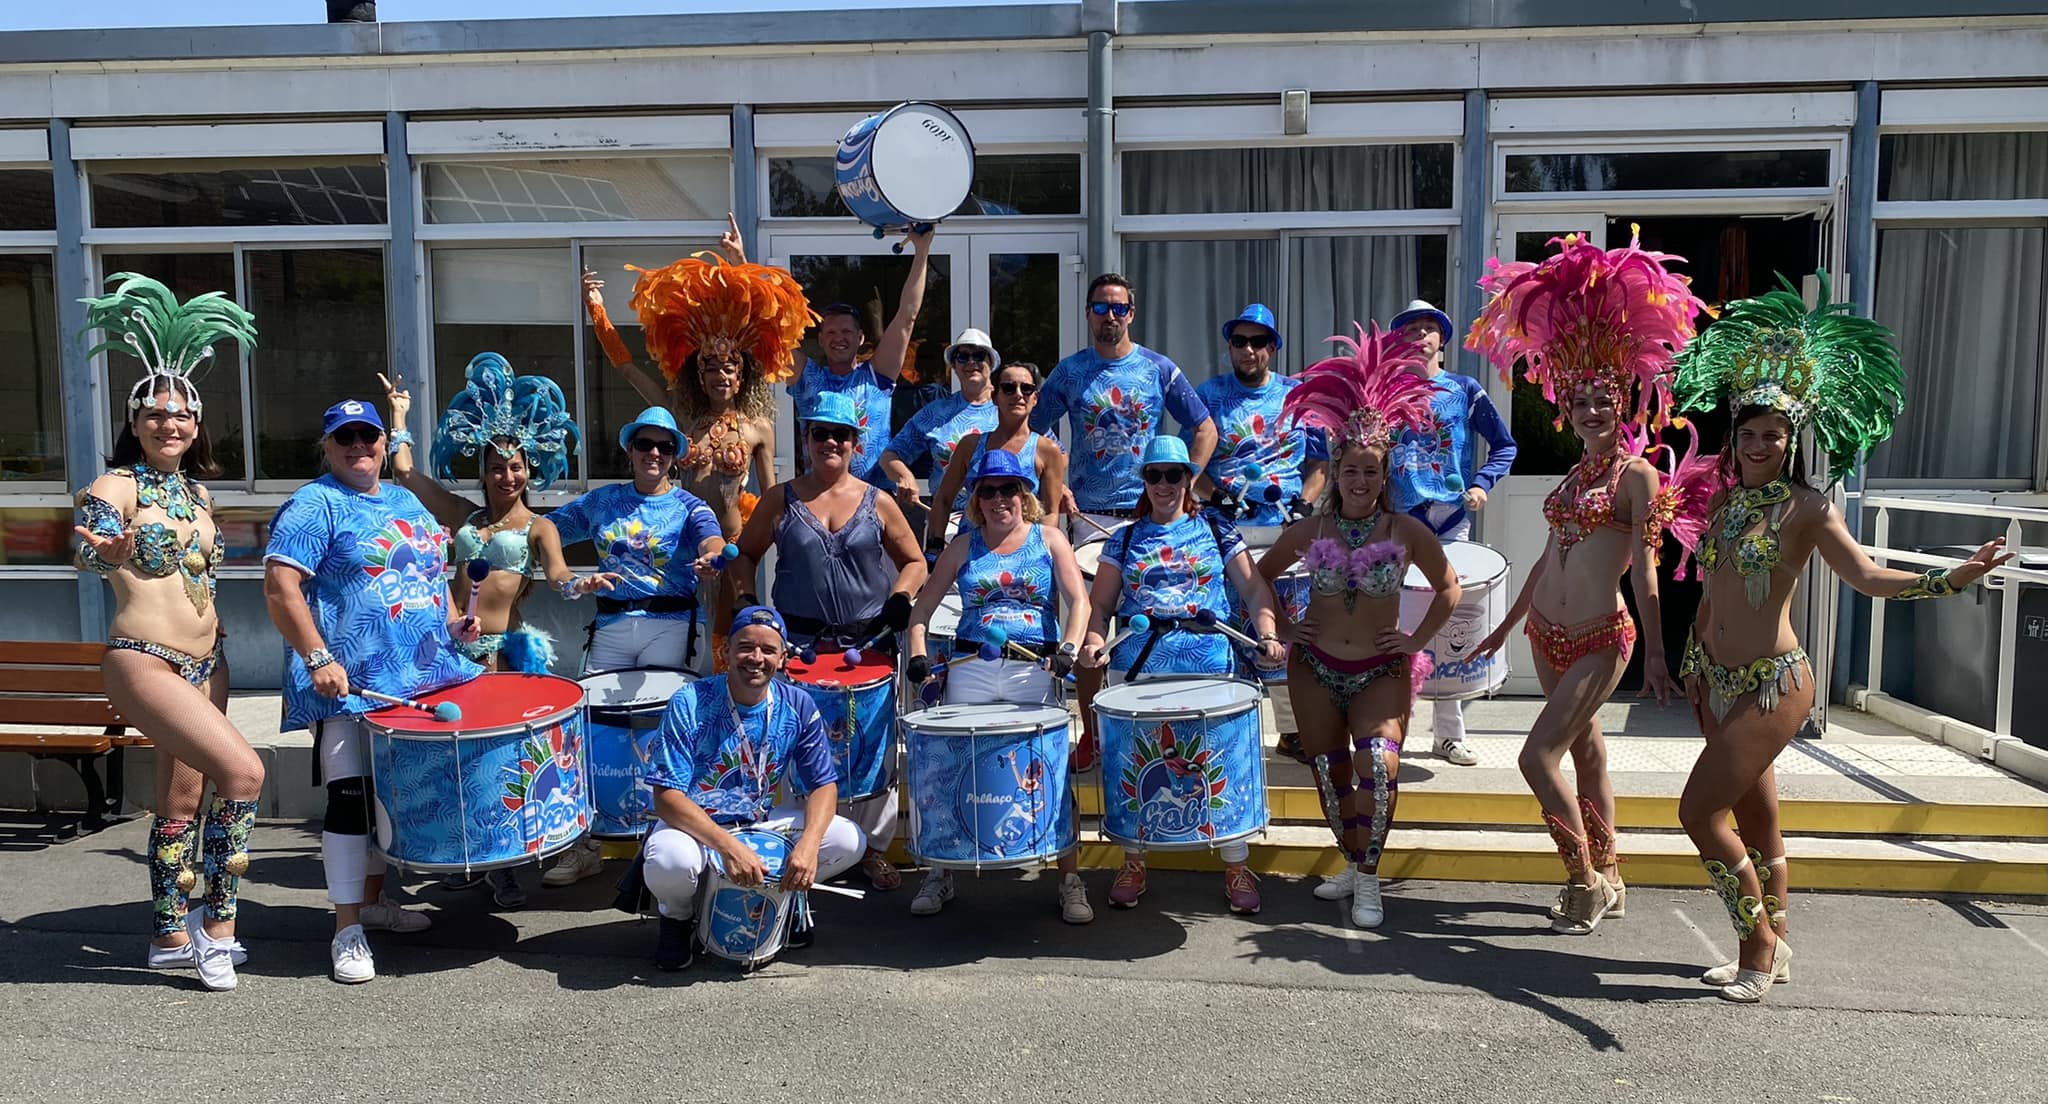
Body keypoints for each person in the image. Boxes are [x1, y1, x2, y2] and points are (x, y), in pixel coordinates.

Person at [1668, 273, 2012, 1002]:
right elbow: (1712, 592)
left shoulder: (1808, 509)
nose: (1760, 444)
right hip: (1716, 680)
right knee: (1757, 817)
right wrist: (1692, 661)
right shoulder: (1726, 501)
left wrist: (1949, 578)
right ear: (1736, 436)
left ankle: (1757, 947)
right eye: (1751, 432)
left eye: (1775, 435)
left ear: (1792, 443)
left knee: (1698, 812)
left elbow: (1864, 576)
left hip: (1773, 683)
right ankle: (1778, 942)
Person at [1467, 231, 1701, 936]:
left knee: (1536, 755)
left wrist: (1658, 655)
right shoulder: (1573, 477)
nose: (1592, 412)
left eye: (1604, 400)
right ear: (1564, 408)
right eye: (1580, 402)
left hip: (1604, 638)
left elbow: (1650, 572)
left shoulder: (1637, 477)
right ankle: (1614, 873)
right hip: (1546, 635)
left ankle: (1582, 878)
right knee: (1587, 752)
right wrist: (1502, 630)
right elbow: (1546, 561)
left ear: (1624, 402)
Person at [74, 274, 261, 990]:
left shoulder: (200, 493)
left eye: (181, 415)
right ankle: (217, 930)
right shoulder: (115, 484)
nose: (169, 424)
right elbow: (86, 544)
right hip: (143, 660)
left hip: (207, 663)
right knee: (244, 773)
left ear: (197, 423)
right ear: (135, 421)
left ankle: (163, 936)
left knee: (182, 801)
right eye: (154, 414)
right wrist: (106, 550)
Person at [264, 398, 484, 984]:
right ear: (327, 446)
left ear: (385, 442)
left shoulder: (404, 499)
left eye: (370, 436)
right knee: (350, 801)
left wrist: (454, 623)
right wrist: (317, 657)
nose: (359, 447)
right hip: (352, 685)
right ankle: (346, 928)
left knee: (396, 796)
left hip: (423, 677)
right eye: (346, 438)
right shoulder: (314, 504)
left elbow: (425, 579)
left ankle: (378, 902)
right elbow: (281, 587)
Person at [1256, 325, 1460, 928]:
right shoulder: (1310, 531)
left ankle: (1369, 879)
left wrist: (1416, 640)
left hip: (1380, 669)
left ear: (1385, 474)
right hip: (1314, 668)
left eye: (1372, 471)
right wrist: (1287, 628)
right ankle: (1350, 861)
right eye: (1351, 470)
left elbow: (1449, 587)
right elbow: (1258, 577)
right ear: (1336, 471)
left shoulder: (1406, 531)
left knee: (1379, 767)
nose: (1361, 481)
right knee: (1328, 769)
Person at [381, 353, 580, 909]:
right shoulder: (465, 518)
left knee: (506, 759)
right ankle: (466, 855)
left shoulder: (540, 527)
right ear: (484, 471)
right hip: (459, 653)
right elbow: (405, 474)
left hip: (509, 654)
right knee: (459, 755)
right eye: (497, 466)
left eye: (516, 467)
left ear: (529, 470)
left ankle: (510, 864)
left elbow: (560, 572)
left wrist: (579, 586)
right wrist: (399, 419)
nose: (507, 476)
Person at [727, 392, 929, 890]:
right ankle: (798, 847)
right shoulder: (781, 499)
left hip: (870, 645)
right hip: (797, 646)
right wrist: (750, 606)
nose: (831, 442)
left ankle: (871, 850)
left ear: (856, 444)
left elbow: (916, 561)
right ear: (806, 440)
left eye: (841, 435)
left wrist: (902, 597)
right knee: (794, 747)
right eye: (821, 433)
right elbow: (744, 554)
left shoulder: (877, 501)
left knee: (871, 747)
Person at [1077, 436, 1285, 915]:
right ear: (1144, 481)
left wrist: (1267, 630)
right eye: (1155, 475)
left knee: (1222, 763)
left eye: (1175, 475)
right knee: (1138, 764)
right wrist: (1092, 638)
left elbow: (1253, 589)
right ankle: (1134, 861)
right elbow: (1102, 604)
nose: (1165, 484)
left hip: (1211, 666)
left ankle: (1236, 863)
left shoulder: (1216, 529)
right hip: (1140, 669)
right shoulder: (1124, 538)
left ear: (1189, 479)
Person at [582, 232, 812, 661]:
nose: (721, 376)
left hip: (731, 543)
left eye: (730, 368)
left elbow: (772, 495)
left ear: (743, 377)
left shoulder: (758, 426)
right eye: (711, 368)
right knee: (680, 632)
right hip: (676, 539)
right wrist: (597, 310)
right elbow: (628, 368)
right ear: (697, 376)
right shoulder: (679, 417)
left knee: (727, 637)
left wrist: (787, 550)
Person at [531, 405, 727, 887]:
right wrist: (563, 576)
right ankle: (585, 845)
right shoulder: (603, 501)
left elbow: (714, 538)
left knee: (664, 734)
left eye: (664, 446)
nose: (654, 453)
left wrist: (712, 558)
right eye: (645, 444)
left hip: (673, 624)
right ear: (630, 451)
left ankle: (667, 842)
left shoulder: (688, 506)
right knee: (588, 732)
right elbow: (543, 527)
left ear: (676, 456)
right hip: (612, 625)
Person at [1033, 273, 1217, 769]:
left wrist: (1185, 484)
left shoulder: (1158, 369)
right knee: (1092, 627)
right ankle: (1092, 732)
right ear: (1088, 312)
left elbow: (1203, 426)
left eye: (1118, 308)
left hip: (1148, 520)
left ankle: (1154, 732)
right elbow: (1036, 432)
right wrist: (1058, 481)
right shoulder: (1070, 373)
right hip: (1089, 519)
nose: (1109, 317)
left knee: (1150, 624)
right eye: (1100, 308)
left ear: (1131, 313)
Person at [902, 448, 1094, 922]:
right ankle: (941, 870)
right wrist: (921, 655)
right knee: (953, 765)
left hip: (1035, 669)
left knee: (1049, 768)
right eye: (988, 490)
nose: (999, 498)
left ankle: (1069, 877)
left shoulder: (1050, 539)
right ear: (976, 500)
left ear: (1024, 493)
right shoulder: (963, 546)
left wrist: (1068, 647)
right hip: (971, 667)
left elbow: (1080, 602)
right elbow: (921, 611)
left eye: (1008, 488)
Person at [638, 607, 868, 971]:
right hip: (695, 827)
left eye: (768, 650)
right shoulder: (690, 702)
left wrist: (807, 847)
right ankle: (678, 917)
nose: (756, 658)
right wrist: (729, 847)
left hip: (756, 822)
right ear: (725, 652)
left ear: (782, 657)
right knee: (671, 862)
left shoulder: (797, 705)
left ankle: (785, 902)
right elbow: (666, 799)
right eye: (745, 647)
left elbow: (823, 784)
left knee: (847, 839)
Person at [1187, 304, 1328, 765]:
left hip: (1285, 530)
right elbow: (1196, 465)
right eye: (1239, 342)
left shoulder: (1298, 394)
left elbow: (1320, 465)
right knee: (1229, 625)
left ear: (1273, 348)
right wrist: (1218, 497)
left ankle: (1291, 730)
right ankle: (1231, 727)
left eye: (1257, 342)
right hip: (1227, 526)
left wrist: (1304, 505)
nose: (1248, 350)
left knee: (1286, 629)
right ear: (1229, 347)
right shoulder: (1209, 394)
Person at [1386, 299, 1518, 768]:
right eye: (1411, 329)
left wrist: (1482, 484)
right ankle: (1392, 731)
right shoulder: (1384, 391)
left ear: (1442, 338)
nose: (1420, 336)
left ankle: (1448, 734)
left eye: (1429, 329)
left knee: (1451, 623)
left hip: (1450, 521)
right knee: (1398, 628)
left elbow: (1505, 446)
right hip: (1401, 520)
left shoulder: (1464, 389)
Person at [784, 230, 934, 487]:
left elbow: (907, 317)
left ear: (861, 338)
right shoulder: (808, 378)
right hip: (817, 500)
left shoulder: (877, 376)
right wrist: (742, 263)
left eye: (846, 332)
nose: (838, 338)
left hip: (873, 500)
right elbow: (770, 333)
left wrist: (921, 252)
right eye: (830, 332)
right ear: (820, 340)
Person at [925, 360, 1068, 548]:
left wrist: (1041, 554)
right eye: (1008, 388)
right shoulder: (970, 445)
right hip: (971, 550)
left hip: (1023, 553)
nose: (1018, 395)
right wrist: (934, 547)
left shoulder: (1048, 450)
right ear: (995, 397)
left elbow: (1050, 513)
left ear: (1035, 398)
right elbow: (943, 499)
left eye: (1026, 389)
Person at [876, 327, 1001, 536]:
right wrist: (905, 476)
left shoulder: (1009, 407)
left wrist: (1058, 487)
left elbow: (1049, 451)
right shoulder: (936, 413)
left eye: (978, 355)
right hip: (947, 522)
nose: (971, 363)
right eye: (962, 357)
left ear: (991, 362)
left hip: (1001, 520)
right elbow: (890, 455)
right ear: (953, 366)